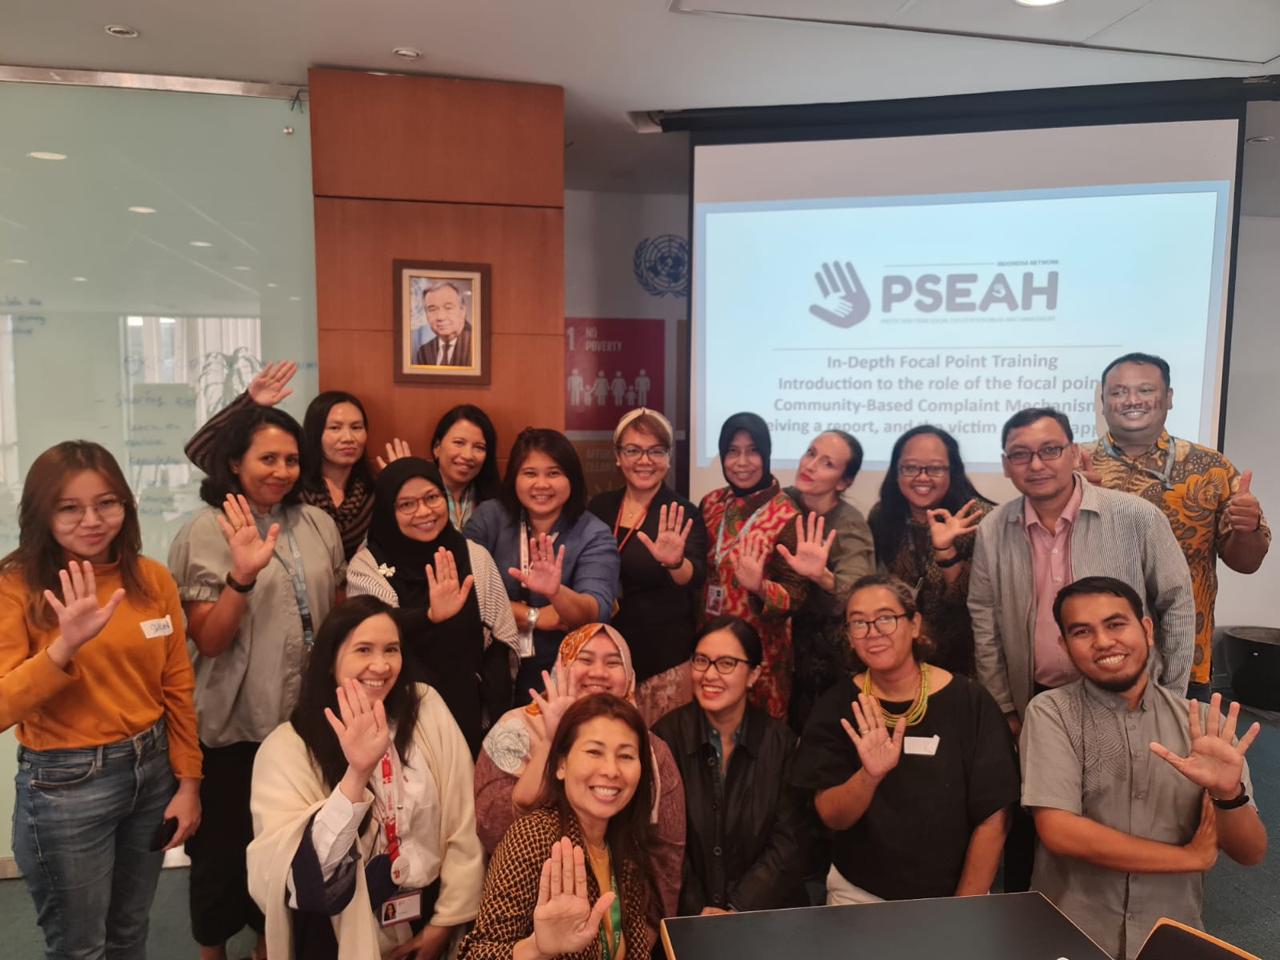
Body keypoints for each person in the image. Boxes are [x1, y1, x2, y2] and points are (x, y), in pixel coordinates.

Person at [0, 441, 202, 959]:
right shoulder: (17, 584)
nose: (91, 520)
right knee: (80, 948)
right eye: (69, 507)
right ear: (42, 512)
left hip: (151, 772)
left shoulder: (150, 577)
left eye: (107, 503)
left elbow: (177, 687)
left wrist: (188, 783)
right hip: (67, 786)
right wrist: (64, 646)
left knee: (129, 935)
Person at [169, 404, 346, 960]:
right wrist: (241, 577)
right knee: (223, 856)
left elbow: (338, 612)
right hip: (234, 726)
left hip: (304, 722)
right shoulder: (205, 531)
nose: (282, 470)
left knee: (290, 850)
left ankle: (269, 948)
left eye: (292, 459)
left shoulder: (317, 522)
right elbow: (211, 640)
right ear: (235, 464)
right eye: (267, 458)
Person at [1022, 576, 1266, 960]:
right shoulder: (1052, 713)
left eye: (1116, 624)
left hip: (1170, 932)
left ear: (1147, 630)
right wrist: (1190, 859)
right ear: (1065, 647)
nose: (1103, 642)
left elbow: (1251, 852)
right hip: (1069, 929)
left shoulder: (1204, 725)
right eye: (1082, 631)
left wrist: (1228, 795)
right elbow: (1060, 831)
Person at [247, 596, 485, 960]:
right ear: (330, 661)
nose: (381, 665)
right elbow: (298, 878)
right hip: (340, 932)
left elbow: (462, 821)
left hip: (428, 912)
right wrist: (357, 775)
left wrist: (446, 921)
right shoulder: (287, 749)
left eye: (392, 649)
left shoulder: (425, 708)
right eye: (363, 649)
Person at [793, 574, 1019, 905]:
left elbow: (995, 816)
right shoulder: (837, 705)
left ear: (914, 624)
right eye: (859, 623)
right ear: (849, 637)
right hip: (860, 892)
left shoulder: (969, 701)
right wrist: (869, 777)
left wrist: (963, 909)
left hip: (955, 898)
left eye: (886, 618)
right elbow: (831, 816)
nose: (873, 633)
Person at [971, 407, 1196, 735]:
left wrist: (1171, 697)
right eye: (1020, 454)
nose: (1036, 464)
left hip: (1131, 695)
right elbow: (985, 622)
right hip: (1036, 698)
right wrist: (1004, 707)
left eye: (1050, 450)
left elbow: (1177, 605)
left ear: (1075, 453)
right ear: (1006, 465)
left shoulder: (1136, 516)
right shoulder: (993, 529)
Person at [1083, 352, 1270, 700]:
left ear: (1168, 398)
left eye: (1145, 390)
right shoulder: (1074, 465)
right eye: (1119, 392)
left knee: (1178, 752)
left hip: (1183, 656)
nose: (1132, 400)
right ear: (1104, 402)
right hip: (1091, 653)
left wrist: (1247, 528)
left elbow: (1246, 563)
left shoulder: (1211, 467)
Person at [473, 624, 686, 920]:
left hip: (622, 913)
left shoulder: (650, 749)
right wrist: (553, 739)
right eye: (584, 660)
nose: (598, 672)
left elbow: (666, 851)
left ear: (629, 675)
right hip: (526, 906)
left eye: (613, 662)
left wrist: (650, 927)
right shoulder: (515, 730)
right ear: (560, 667)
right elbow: (492, 826)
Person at [458, 694, 658, 960]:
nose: (611, 770)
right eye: (594, 752)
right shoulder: (534, 836)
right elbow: (476, 954)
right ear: (562, 765)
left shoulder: (626, 845)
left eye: (626, 756)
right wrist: (537, 949)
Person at [347, 457, 521, 755]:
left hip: (468, 710)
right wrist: (427, 616)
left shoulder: (473, 556)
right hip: (396, 713)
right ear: (389, 510)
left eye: (432, 498)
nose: (424, 512)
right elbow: (368, 632)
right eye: (407, 505)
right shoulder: (368, 564)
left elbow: (501, 638)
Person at [653, 616, 810, 915]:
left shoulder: (780, 743)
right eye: (701, 661)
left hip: (763, 915)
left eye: (726, 663)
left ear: (753, 674)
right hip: (687, 917)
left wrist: (738, 907)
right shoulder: (665, 738)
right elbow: (660, 841)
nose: (709, 675)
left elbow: (790, 840)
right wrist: (698, 907)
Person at [465, 427, 619, 699]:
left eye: (554, 473)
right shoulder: (490, 518)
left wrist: (556, 593)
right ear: (514, 477)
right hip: (488, 665)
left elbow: (595, 613)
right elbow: (464, 591)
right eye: (530, 473)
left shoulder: (593, 533)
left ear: (572, 478)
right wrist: (533, 616)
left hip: (561, 674)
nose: (542, 484)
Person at [588, 408, 708, 724]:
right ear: (618, 456)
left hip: (663, 662)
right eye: (633, 450)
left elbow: (693, 576)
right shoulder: (600, 507)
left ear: (668, 458)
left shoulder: (683, 512)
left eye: (656, 451)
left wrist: (675, 562)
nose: (645, 461)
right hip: (606, 658)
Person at [185, 361, 377, 559]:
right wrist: (250, 402)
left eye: (356, 427)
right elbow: (199, 449)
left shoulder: (371, 492)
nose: (348, 438)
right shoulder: (288, 484)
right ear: (315, 431)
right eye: (335, 428)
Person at [698, 412, 807, 722]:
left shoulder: (787, 514)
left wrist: (760, 586)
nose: (742, 462)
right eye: (732, 451)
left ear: (766, 454)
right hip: (710, 649)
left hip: (762, 656)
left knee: (760, 746)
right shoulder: (711, 504)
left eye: (753, 451)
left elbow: (796, 596)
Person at [869, 425, 994, 676]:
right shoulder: (883, 516)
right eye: (910, 468)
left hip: (969, 661)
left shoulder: (981, 519)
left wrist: (945, 550)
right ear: (896, 472)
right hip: (902, 659)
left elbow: (972, 601)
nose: (922, 477)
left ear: (953, 471)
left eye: (935, 468)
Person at [781, 429, 875, 732]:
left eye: (827, 464)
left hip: (826, 658)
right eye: (811, 453)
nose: (810, 465)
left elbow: (860, 592)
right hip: (781, 644)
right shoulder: (784, 501)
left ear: (844, 482)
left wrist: (823, 577)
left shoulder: (849, 524)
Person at [429, 404, 501, 531]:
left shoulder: (496, 503)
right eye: (459, 443)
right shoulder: (419, 496)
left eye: (479, 447)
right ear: (437, 447)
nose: (468, 456)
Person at [415, 281, 473, 367]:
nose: (440, 317)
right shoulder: (424, 352)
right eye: (432, 309)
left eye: (448, 308)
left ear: (462, 311)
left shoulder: (477, 346)